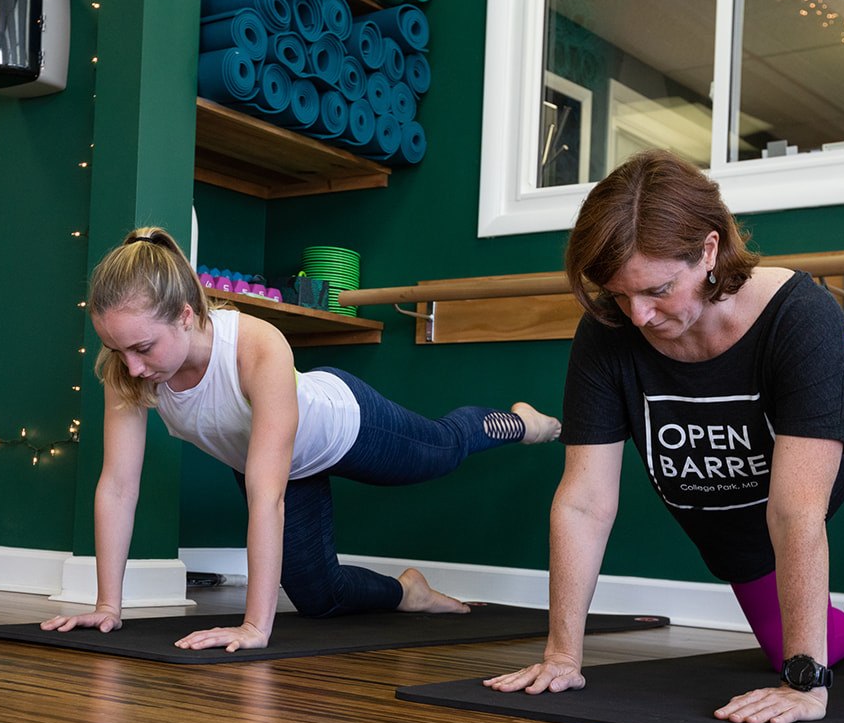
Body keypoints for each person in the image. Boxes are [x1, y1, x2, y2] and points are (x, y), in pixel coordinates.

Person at [485, 149, 844, 723]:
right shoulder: (609, 331)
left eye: (657, 290)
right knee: (787, 644)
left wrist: (808, 685)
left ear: (708, 250)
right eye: (620, 295)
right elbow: (583, 502)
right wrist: (562, 655)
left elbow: (797, 511)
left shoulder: (798, 313)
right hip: (737, 517)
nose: (639, 315)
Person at [41, 227, 563, 651]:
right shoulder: (126, 370)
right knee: (319, 597)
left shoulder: (254, 347)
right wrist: (108, 606)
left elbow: (265, 497)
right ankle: (409, 592)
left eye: (143, 347)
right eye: (117, 348)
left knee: (442, 451)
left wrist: (254, 627)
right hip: (281, 464)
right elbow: (117, 486)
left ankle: (520, 422)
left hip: (345, 424)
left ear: (184, 315)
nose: (131, 365)